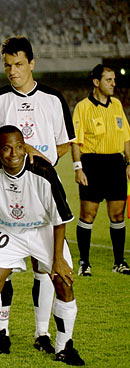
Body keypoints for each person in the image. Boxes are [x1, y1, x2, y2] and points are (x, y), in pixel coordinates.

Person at [0, 36, 75, 354]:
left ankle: (42, 333)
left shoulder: (53, 98)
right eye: (7, 65)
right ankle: (1, 330)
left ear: (31, 63)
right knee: (1, 269)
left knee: (45, 268)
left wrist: (43, 163)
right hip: (6, 193)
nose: (13, 71)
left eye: (19, 64)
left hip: (40, 189)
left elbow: (63, 141)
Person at [0, 125, 84, 366]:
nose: (14, 154)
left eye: (19, 147)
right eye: (7, 149)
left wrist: (58, 259)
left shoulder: (42, 170)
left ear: (25, 147)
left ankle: (64, 347)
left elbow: (60, 217)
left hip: (43, 230)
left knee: (63, 282)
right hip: (7, 230)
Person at [72, 64, 130, 276]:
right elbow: (76, 142)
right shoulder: (82, 107)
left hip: (115, 164)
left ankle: (119, 262)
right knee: (88, 214)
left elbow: (126, 137)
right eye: (109, 80)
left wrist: (129, 163)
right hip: (92, 164)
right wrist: (78, 169)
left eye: (114, 80)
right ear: (96, 82)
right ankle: (84, 263)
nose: (114, 84)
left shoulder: (116, 105)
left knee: (117, 215)